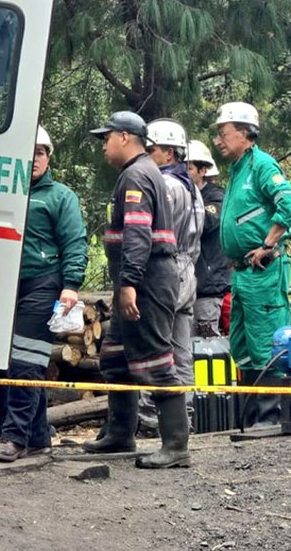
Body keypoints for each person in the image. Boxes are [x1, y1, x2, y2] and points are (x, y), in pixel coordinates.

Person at [82, 111, 190, 469]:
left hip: (148, 281)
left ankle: (176, 446)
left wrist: (128, 283)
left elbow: (138, 235)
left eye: (106, 137)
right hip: (140, 278)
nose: (103, 145)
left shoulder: (137, 176)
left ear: (125, 137)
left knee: (157, 360)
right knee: (115, 358)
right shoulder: (142, 172)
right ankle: (120, 433)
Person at [0, 125, 88, 462]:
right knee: (12, 362)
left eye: (41, 152)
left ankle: (14, 438)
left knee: (26, 361)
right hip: (5, 285)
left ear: (48, 157)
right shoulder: (5, 194)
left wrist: (71, 285)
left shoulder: (60, 196)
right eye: (28, 152)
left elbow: (75, 242)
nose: (34, 159)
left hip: (43, 283)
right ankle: (39, 437)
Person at [215, 102, 291, 427]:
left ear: (243, 133)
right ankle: (252, 417)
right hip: (242, 274)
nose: (218, 141)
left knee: (267, 339)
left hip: (263, 273)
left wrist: (268, 243)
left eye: (223, 134)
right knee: (244, 342)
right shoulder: (238, 170)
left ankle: (271, 417)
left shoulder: (263, 166)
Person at [137, 119, 204, 432]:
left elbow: (151, 233)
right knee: (181, 351)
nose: (147, 155)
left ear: (168, 153)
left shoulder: (164, 185)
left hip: (166, 269)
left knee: (155, 346)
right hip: (188, 270)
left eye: (151, 150)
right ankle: (184, 417)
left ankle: (151, 418)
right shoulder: (192, 188)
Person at [188, 139, 230, 337]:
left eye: (188, 168)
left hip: (208, 288)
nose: (183, 173)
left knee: (207, 348)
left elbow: (204, 223)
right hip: (183, 287)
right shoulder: (177, 194)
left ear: (203, 170)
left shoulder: (216, 197)